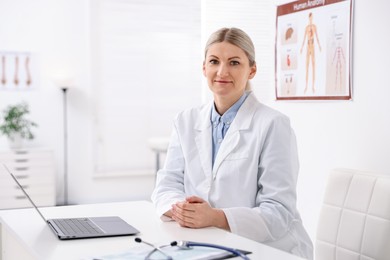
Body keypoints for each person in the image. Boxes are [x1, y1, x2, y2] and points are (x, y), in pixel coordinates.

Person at [151, 27, 313, 259]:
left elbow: (279, 212)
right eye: (214, 61)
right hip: (207, 242)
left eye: (234, 62)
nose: (222, 71)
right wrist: (183, 211)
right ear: (204, 67)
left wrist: (216, 217)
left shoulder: (273, 124)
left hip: (269, 249)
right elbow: (167, 184)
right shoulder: (185, 121)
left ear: (252, 70)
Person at [300, 12, 321, 94]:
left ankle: (313, 86)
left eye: (311, 17)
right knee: (307, 66)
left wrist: (319, 46)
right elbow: (304, 38)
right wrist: (301, 47)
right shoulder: (307, 28)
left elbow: (317, 36)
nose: (311, 18)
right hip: (307, 45)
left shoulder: (314, 27)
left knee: (313, 65)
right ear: (309, 18)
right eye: (310, 17)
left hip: (313, 45)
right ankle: (306, 86)